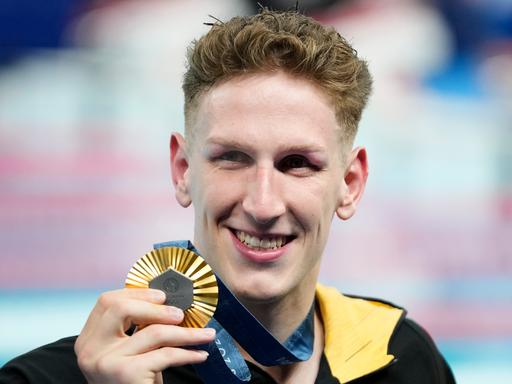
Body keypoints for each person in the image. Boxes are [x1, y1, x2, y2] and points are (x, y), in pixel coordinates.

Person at [0, 7, 455, 384]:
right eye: (232, 158)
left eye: (297, 164)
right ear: (182, 170)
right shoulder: (63, 377)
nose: (263, 205)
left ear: (350, 184)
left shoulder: (403, 359)